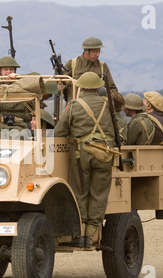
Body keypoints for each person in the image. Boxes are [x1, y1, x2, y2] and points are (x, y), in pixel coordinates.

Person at [54, 72, 115, 248]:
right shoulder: (107, 104)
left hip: (81, 154)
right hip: (105, 154)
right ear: (97, 87)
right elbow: (119, 127)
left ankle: (79, 234)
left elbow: (59, 132)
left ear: (81, 88)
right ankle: (92, 235)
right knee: (99, 194)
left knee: (79, 192)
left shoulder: (74, 105)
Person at [0, 56, 32, 139]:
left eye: (11, 69)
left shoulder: (21, 85)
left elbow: (35, 78)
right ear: (0, 72)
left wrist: (20, 79)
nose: (8, 72)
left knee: (17, 138)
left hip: (17, 125)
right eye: (5, 69)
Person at [63, 36, 118, 102]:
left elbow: (112, 89)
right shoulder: (72, 64)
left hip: (97, 106)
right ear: (86, 51)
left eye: (99, 51)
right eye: (95, 52)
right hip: (76, 106)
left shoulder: (103, 66)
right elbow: (59, 84)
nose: (98, 55)